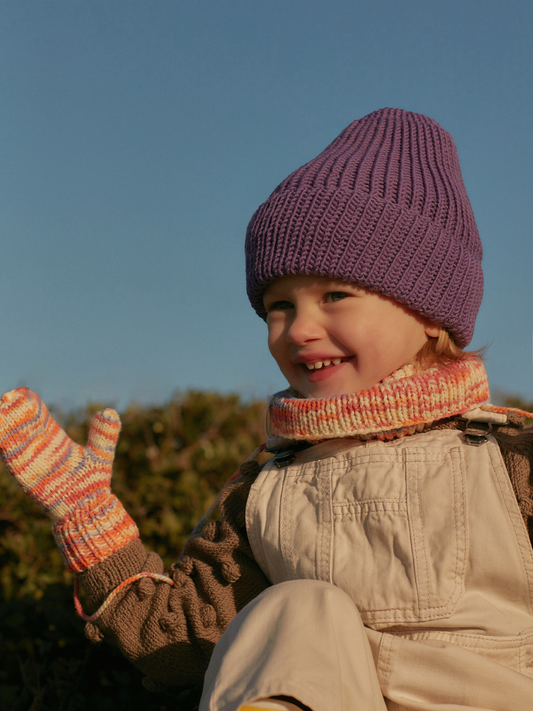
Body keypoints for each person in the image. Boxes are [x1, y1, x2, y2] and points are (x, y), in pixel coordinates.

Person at [2, 107, 533, 711]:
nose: (300, 328)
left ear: (430, 310)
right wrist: (88, 519)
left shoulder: (509, 460)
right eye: (278, 305)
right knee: (296, 609)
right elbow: (182, 640)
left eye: (336, 294)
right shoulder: (267, 487)